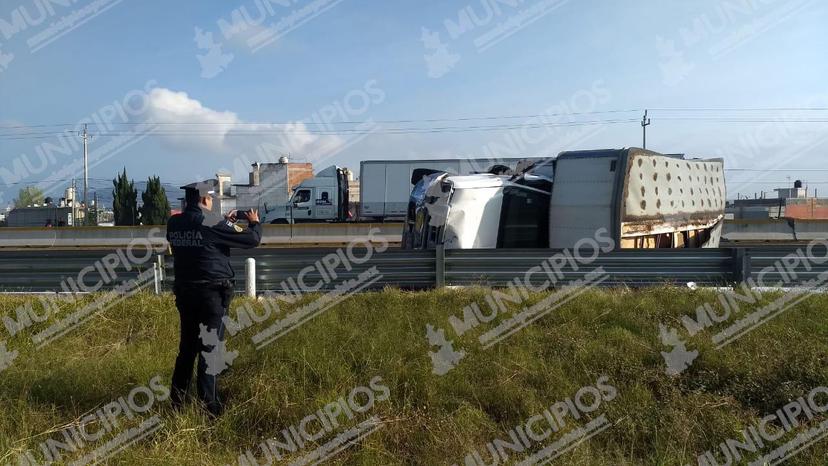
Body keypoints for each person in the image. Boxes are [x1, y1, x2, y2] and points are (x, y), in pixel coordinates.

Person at [166, 181, 262, 416]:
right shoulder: (211, 221)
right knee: (210, 350)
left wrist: (225, 224)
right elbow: (251, 240)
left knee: (187, 350)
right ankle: (210, 409)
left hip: (185, 294)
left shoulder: (174, 222)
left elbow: (201, 240)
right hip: (211, 296)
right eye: (210, 198)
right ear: (204, 200)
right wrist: (254, 222)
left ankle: (177, 405)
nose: (212, 202)